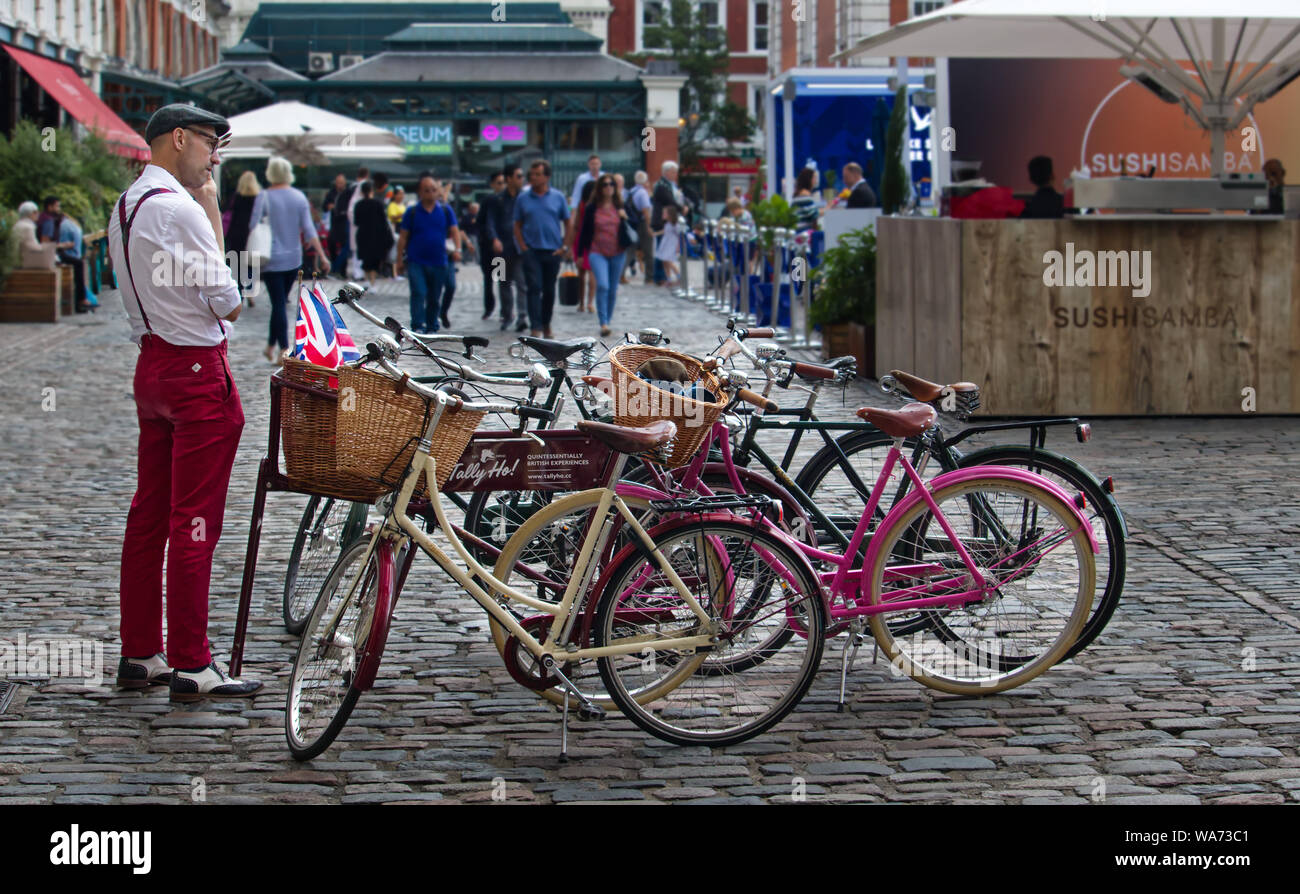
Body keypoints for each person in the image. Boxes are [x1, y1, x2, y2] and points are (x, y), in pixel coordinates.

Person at [106, 102, 261, 700]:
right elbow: (229, 301)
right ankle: (194, 663)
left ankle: (141, 651)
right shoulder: (179, 208)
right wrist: (212, 215)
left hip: (153, 364)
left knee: (149, 516)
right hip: (196, 371)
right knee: (195, 521)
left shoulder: (127, 204)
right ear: (179, 138)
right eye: (209, 144)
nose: (215, 157)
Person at [250, 156, 329, 364]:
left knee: (278, 304)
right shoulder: (299, 197)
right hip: (294, 260)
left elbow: (252, 225)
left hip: (271, 259)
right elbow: (309, 229)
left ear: (270, 173)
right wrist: (322, 256)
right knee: (280, 303)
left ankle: (282, 349)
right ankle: (271, 346)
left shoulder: (264, 197)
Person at [396, 172, 461, 334]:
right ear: (420, 192)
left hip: (439, 261)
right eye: (426, 190)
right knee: (418, 292)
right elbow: (403, 237)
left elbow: (455, 231)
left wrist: (458, 249)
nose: (430, 193)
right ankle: (418, 324)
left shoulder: (446, 211)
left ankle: (432, 324)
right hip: (416, 260)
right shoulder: (411, 212)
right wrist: (399, 260)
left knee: (434, 296)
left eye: (433, 189)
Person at [513, 158, 571, 338]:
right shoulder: (523, 198)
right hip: (532, 251)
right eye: (532, 175)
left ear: (547, 177)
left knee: (549, 290)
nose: (534, 178)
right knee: (534, 287)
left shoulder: (557, 197)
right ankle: (535, 326)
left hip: (552, 251)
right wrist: (523, 247)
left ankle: (546, 324)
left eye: (538, 174)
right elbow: (516, 224)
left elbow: (568, 222)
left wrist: (565, 246)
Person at [574, 173, 634, 337]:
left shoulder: (620, 205)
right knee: (603, 285)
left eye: (611, 184)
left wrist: (625, 217)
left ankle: (608, 317)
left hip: (618, 252)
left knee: (613, 288)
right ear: (599, 188)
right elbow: (584, 231)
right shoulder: (592, 207)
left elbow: (635, 223)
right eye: (605, 185)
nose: (608, 187)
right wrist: (580, 254)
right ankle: (603, 322)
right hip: (597, 251)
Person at [485, 163, 527, 332]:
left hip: (519, 249)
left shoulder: (524, 198)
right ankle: (507, 316)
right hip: (500, 251)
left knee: (522, 283)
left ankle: (522, 316)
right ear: (509, 178)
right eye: (518, 176)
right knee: (503, 283)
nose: (521, 179)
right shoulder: (497, 199)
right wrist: (494, 239)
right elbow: (490, 222)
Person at [224, 170, 259, 307]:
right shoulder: (257, 198)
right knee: (250, 263)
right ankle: (250, 293)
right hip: (250, 234)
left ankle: (238, 291)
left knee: (236, 264)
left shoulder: (236, 196)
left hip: (235, 233)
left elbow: (228, 213)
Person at [353, 180, 394, 286]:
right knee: (374, 260)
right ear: (372, 190)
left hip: (363, 235)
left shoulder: (359, 205)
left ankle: (367, 280)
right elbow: (384, 221)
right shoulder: (378, 204)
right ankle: (372, 282)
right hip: (376, 236)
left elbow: (356, 221)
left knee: (366, 259)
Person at [477, 171, 505, 319]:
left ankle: (505, 310)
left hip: (502, 250)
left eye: (504, 182)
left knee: (503, 278)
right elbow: (481, 223)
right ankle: (489, 307)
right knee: (488, 280)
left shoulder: (509, 200)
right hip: (488, 249)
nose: (502, 186)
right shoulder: (488, 200)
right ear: (493, 184)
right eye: (499, 183)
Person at [650, 161, 683, 285]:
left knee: (664, 254)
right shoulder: (662, 185)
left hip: (669, 221)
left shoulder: (670, 185)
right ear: (666, 172)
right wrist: (681, 208)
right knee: (662, 253)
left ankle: (666, 276)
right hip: (662, 221)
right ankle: (661, 277)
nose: (675, 174)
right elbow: (669, 201)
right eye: (673, 172)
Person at [572, 178, 598, 313]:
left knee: (581, 275)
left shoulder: (582, 205)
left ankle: (581, 303)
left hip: (580, 240)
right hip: (593, 241)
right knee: (592, 273)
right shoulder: (596, 206)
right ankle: (590, 303)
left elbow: (576, 225)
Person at [323, 173, 352, 275]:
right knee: (331, 243)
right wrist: (328, 206)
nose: (340, 185)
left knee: (344, 246)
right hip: (334, 222)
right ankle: (335, 266)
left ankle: (342, 270)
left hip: (344, 222)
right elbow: (324, 206)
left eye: (341, 183)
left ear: (344, 183)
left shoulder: (348, 193)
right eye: (338, 183)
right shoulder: (332, 193)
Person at [629, 170, 654, 284]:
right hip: (643, 223)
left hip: (633, 223)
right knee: (648, 250)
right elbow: (645, 210)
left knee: (631, 249)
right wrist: (649, 226)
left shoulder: (631, 191)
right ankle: (649, 277)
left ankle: (620, 274)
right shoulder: (643, 193)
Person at [346, 165, 370, 280]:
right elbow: (351, 212)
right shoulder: (359, 192)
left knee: (358, 251)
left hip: (359, 227)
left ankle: (359, 272)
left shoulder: (356, 193)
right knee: (358, 251)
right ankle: (359, 273)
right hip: (359, 227)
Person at [655, 204, 681, 285]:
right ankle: (668, 278)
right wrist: (655, 233)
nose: (663, 215)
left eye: (664, 213)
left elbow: (679, 235)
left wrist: (678, 246)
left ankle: (679, 276)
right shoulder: (667, 224)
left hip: (671, 245)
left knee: (669, 261)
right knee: (664, 261)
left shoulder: (675, 225)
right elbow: (665, 231)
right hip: (665, 244)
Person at [791, 167, 821, 232]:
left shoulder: (799, 194)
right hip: (802, 232)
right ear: (809, 179)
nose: (815, 181)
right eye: (814, 178)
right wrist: (828, 207)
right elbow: (813, 213)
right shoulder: (805, 195)